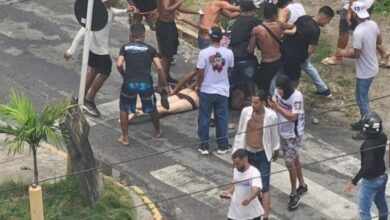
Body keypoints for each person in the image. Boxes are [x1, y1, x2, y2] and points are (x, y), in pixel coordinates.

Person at [64, 0, 132, 117]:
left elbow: (115, 12)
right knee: (106, 71)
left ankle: (81, 97)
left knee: (94, 70)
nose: (117, 1)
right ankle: (89, 100)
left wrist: (127, 10)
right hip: (99, 50)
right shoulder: (97, 13)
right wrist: (71, 50)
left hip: (95, 47)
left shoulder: (109, 10)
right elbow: (83, 30)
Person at [116, 23, 168, 145]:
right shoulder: (150, 49)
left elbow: (119, 64)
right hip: (146, 83)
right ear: (143, 35)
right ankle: (157, 131)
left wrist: (124, 74)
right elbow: (160, 68)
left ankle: (125, 137)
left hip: (129, 83)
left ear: (131, 34)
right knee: (152, 107)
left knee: (124, 108)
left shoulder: (125, 48)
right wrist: (164, 83)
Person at [336, 1, 381, 137]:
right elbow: (379, 41)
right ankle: (364, 120)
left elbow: (357, 54)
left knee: (361, 99)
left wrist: (344, 53)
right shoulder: (373, 24)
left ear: (354, 14)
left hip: (365, 71)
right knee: (363, 97)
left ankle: (369, 127)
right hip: (373, 66)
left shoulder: (358, 32)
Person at [233, 89, 280, 220]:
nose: (253, 105)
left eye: (256, 102)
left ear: (263, 103)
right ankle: (252, 209)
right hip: (247, 152)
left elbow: (274, 135)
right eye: (252, 102)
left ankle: (265, 216)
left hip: (263, 154)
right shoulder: (246, 112)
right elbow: (240, 131)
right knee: (248, 183)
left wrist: (276, 149)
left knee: (264, 186)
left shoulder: (271, 116)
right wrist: (236, 151)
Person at [277, 0, 332, 97]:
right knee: (294, 79)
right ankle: (289, 96)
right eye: (328, 21)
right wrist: (305, 58)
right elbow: (311, 50)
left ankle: (323, 89)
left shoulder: (304, 18)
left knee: (282, 73)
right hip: (295, 57)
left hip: (284, 49)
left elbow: (292, 29)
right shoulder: (315, 30)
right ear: (324, 17)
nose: (327, 23)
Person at [268, 74, 307, 210]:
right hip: (282, 130)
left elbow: (292, 116)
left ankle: (293, 192)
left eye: (281, 89)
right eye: (277, 89)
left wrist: (277, 107)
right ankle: (302, 184)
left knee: (289, 162)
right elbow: (273, 104)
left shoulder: (297, 96)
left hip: (294, 133)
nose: (278, 92)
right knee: (294, 157)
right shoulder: (277, 93)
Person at [196, 27, 234, 155]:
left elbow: (200, 72)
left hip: (207, 89)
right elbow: (229, 70)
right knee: (222, 118)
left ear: (210, 37)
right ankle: (223, 145)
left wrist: (198, 86)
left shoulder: (204, 53)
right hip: (222, 90)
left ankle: (204, 145)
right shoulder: (229, 53)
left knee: (204, 118)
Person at [344, 112, 388, 220]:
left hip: (371, 180)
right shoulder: (383, 137)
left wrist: (353, 181)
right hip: (382, 176)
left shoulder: (367, 145)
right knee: (381, 202)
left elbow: (367, 167)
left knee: (364, 211)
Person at [322, 0, 389, 67]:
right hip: (364, 4)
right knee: (364, 30)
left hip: (354, 6)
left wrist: (349, 11)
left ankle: (337, 57)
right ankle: (383, 52)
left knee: (344, 31)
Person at [248, 3, 294, 96]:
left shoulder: (257, 30)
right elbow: (291, 26)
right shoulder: (279, 25)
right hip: (278, 59)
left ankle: (266, 104)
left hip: (267, 62)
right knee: (278, 85)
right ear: (274, 15)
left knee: (263, 87)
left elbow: (250, 49)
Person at [156, 0, 199, 83]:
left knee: (169, 54)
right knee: (165, 55)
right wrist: (180, 1)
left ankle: (166, 76)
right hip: (165, 26)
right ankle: (160, 83)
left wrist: (195, 11)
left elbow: (177, 7)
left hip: (169, 24)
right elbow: (166, 9)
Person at [229, 1, 261, 99]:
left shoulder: (235, 21)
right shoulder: (253, 21)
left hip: (232, 56)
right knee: (252, 80)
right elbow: (267, 28)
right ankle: (253, 99)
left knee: (230, 82)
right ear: (251, 11)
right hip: (245, 56)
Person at [220, 149, 264, 220]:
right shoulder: (236, 170)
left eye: (237, 163)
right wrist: (228, 192)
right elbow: (236, 185)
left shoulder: (254, 172)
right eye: (234, 163)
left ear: (245, 160)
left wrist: (249, 198)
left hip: (251, 215)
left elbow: (256, 189)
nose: (235, 166)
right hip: (234, 213)